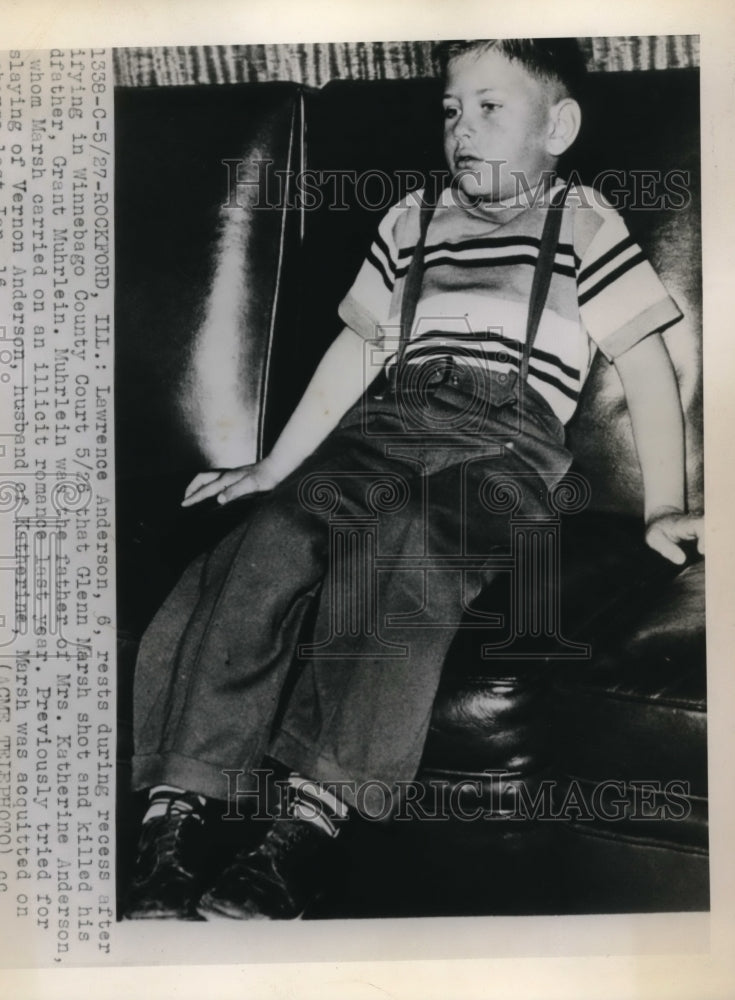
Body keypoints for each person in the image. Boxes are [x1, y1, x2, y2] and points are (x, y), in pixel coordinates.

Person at [123, 37, 704, 921]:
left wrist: (664, 502)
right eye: (448, 109)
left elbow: (647, 364)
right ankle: (178, 816)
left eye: (488, 106)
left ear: (559, 125)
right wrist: (273, 468)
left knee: (415, 543)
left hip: (503, 447)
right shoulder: (411, 219)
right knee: (271, 539)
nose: (459, 128)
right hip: (385, 429)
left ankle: (308, 825)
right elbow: (357, 349)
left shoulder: (582, 222)